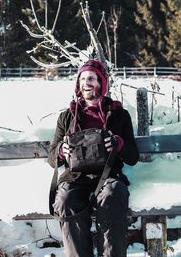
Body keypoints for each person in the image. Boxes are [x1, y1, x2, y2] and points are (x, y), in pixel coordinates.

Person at [48, 59, 140, 257]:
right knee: (64, 199)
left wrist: (120, 144)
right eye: (82, 79)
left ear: (102, 83)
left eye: (91, 78)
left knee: (113, 193)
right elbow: (51, 156)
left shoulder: (119, 115)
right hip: (76, 177)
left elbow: (133, 157)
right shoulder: (67, 117)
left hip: (108, 175)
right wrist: (62, 151)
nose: (86, 83)